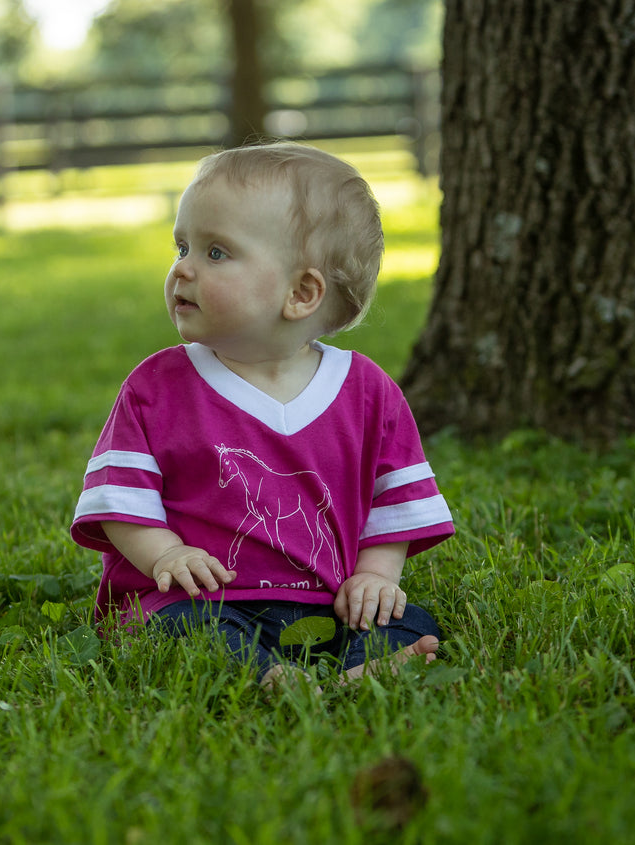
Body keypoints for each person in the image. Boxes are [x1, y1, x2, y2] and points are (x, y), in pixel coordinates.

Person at [70, 141, 454, 688]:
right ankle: (269, 676)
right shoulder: (156, 387)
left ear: (301, 293)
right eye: (182, 246)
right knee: (179, 631)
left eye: (215, 253)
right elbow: (120, 499)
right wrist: (166, 554)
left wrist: (375, 575)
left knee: (406, 620)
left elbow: (395, 502)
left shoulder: (368, 392)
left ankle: (362, 667)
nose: (182, 269)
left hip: (327, 605)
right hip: (199, 600)